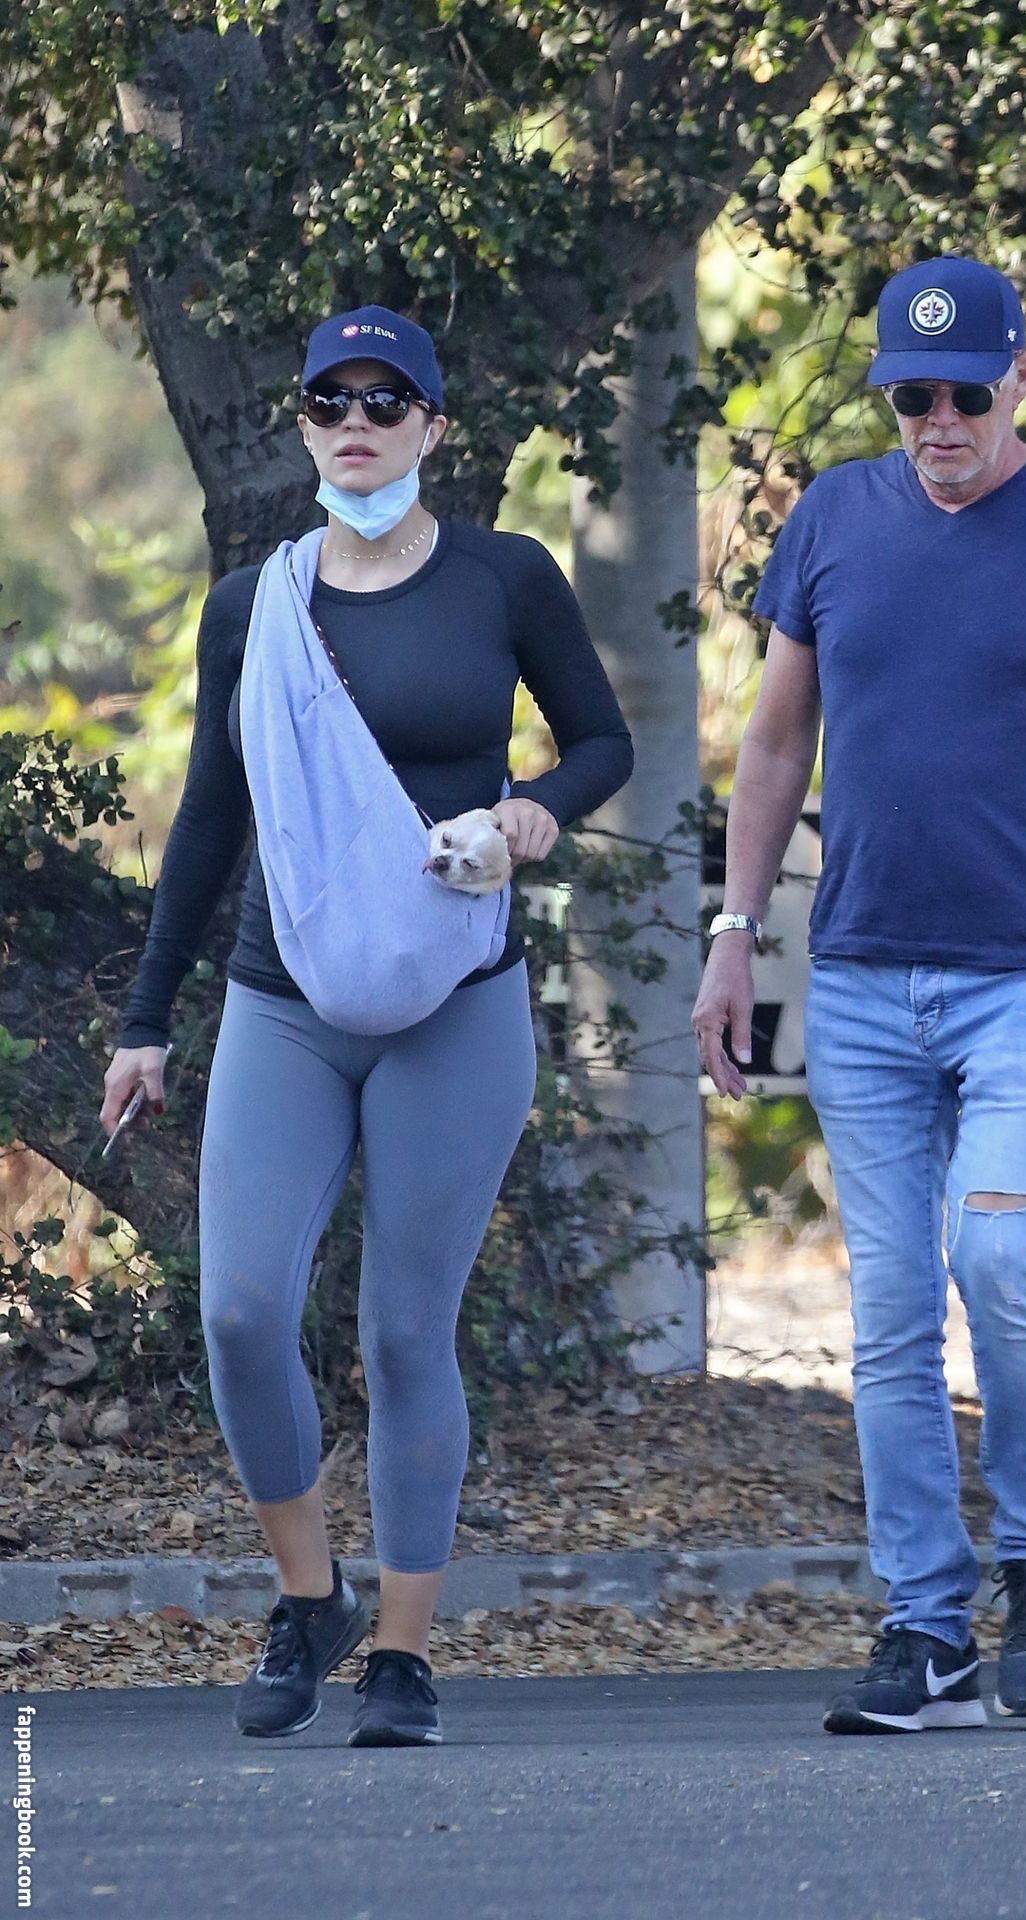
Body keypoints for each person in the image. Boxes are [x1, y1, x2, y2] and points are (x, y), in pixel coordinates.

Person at [100, 305, 633, 1746]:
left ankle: (403, 1652)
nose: (357, 421)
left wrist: (535, 812)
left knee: (405, 1335)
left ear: (432, 429)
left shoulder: (504, 576)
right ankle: (309, 1596)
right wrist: (146, 1020)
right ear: (302, 425)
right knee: (238, 1309)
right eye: (330, 399)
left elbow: (604, 741)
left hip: (455, 1001)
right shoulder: (254, 606)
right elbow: (211, 817)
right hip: (286, 1000)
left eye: (386, 400)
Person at [692, 256, 1026, 1733]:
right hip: (861, 973)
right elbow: (775, 742)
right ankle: (927, 1625)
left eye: (965, 394)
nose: (937, 421)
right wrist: (734, 935)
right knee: (892, 1316)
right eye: (909, 395)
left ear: (1022, 378)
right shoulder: (832, 521)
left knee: (997, 1255)